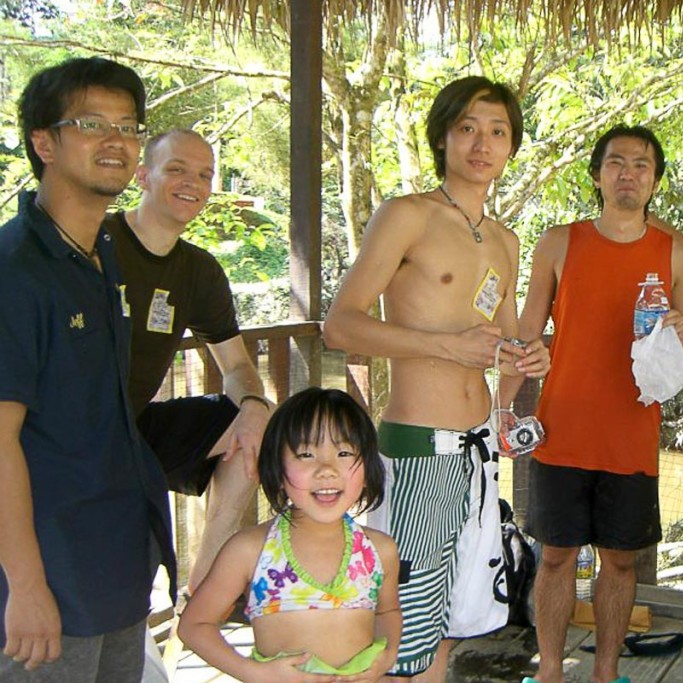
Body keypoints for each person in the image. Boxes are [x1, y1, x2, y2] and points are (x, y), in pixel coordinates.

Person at [322, 76, 550, 681]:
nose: (483, 143)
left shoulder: (505, 240)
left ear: (511, 146)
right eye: (468, 128)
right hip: (419, 450)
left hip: (477, 454)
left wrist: (527, 360)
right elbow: (339, 325)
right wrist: (445, 346)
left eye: (498, 132)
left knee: (453, 618)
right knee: (403, 621)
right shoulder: (408, 215)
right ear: (443, 137)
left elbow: (505, 343)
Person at [0, 57, 176, 681]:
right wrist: (24, 586)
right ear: (43, 142)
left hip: (117, 561)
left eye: (129, 127)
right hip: (50, 579)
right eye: (91, 123)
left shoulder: (102, 251)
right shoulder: (17, 270)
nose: (117, 142)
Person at [511, 125, 683, 683]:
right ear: (597, 175)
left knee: (619, 559)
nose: (628, 174)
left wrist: (682, 330)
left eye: (641, 165)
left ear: (655, 180)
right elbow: (525, 331)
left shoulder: (674, 249)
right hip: (561, 427)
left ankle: (606, 673)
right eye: (616, 163)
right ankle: (549, 670)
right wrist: (509, 377)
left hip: (632, 431)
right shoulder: (559, 241)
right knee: (555, 556)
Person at [103, 128, 271, 593]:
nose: (192, 183)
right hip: (75, 439)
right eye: (176, 169)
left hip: (136, 428)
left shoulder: (199, 270)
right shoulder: (97, 242)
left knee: (252, 430)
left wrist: (256, 407)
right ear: (142, 175)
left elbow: (236, 366)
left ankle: (201, 588)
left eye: (204, 174)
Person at [178, 387, 400, 680]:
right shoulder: (250, 550)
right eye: (306, 454)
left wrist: (386, 658)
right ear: (277, 470)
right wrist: (252, 672)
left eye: (344, 452)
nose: (326, 469)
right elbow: (194, 626)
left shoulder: (379, 550)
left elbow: (387, 614)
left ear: (368, 467)